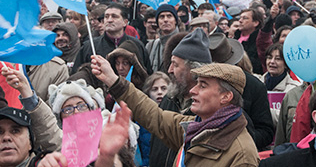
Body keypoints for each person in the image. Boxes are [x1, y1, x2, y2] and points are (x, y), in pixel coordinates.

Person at [91, 57, 260, 166]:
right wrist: (113, 81)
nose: (193, 90)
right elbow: (153, 115)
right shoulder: (194, 127)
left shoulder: (242, 154)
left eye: (203, 85)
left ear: (226, 97)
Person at [150, 28, 212, 167]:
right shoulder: (168, 99)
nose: (170, 69)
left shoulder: (210, 108)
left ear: (194, 70)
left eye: (176, 64)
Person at [72, 3, 151, 75]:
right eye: (106, 16)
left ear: (125, 22)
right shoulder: (89, 46)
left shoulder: (137, 45)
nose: (109, 20)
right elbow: (77, 75)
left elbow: (146, 75)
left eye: (114, 16)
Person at [146, 4, 179, 72]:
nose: (165, 20)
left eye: (169, 16)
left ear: (175, 20)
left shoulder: (184, 42)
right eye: (162, 17)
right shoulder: (150, 45)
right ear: (157, 22)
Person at [235, 8, 264, 74]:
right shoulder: (235, 37)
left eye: (245, 18)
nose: (240, 21)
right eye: (240, 18)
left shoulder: (258, 41)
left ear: (255, 23)